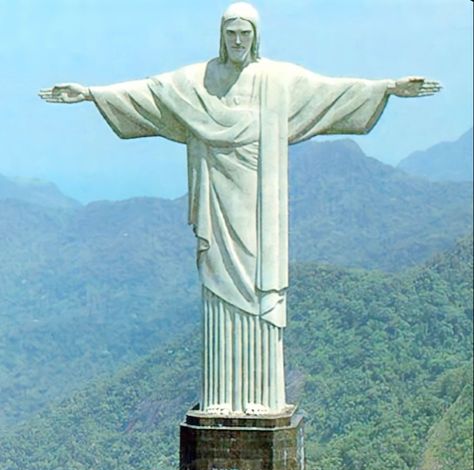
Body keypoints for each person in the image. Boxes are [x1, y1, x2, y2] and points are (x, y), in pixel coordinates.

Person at [39, 3, 440, 417]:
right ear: (221, 35)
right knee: (218, 293)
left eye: (244, 34)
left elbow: (331, 91)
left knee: (259, 294)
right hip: (216, 205)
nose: (237, 41)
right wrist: (90, 93)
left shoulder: (277, 81)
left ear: (256, 36)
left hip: (260, 213)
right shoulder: (200, 81)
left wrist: (387, 87)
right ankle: (220, 397)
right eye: (230, 33)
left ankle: (264, 397)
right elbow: (151, 93)